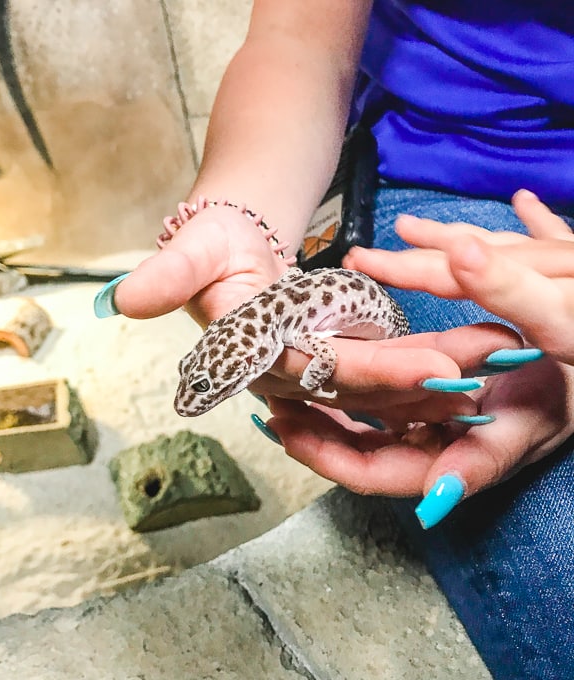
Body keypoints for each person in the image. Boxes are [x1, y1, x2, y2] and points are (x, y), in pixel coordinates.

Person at [94, 2, 574, 676]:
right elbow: (297, 42)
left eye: (206, 383)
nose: (197, 395)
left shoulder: (287, 334)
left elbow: (316, 352)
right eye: (204, 381)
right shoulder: (274, 322)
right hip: (443, 180)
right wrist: (241, 211)